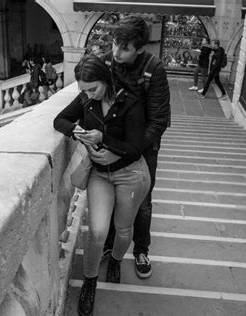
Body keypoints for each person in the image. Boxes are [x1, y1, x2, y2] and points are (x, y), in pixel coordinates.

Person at [53, 55, 150, 316]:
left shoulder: (129, 102)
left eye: (93, 88)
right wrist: (78, 133)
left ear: (106, 81)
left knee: (123, 228)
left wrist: (103, 139)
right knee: (96, 231)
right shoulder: (86, 98)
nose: (88, 95)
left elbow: (136, 147)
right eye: (83, 90)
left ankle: (116, 261)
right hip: (99, 175)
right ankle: (90, 280)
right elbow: (59, 120)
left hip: (130, 174)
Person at [100, 15, 171, 280]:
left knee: (142, 202)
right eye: (115, 43)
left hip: (144, 147)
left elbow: (159, 121)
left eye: (124, 48)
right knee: (110, 193)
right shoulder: (108, 61)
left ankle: (141, 250)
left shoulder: (154, 69)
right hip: (114, 143)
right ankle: (108, 243)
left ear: (140, 48)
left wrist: (132, 149)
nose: (116, 52)